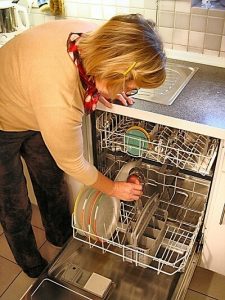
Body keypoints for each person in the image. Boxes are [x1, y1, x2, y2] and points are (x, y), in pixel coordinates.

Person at [0, 14, 166, 278]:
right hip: (4, 117)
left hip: (31, 101)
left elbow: (93, 78)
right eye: (130, 86)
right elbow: (73, 162)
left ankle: (61, 241)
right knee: (13, 204)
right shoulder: (59, 95)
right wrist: (114, 189)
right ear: (112, 72)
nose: (130, 90)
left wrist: (109, 87)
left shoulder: (94, 40)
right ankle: (33, 267)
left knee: (51, 182)